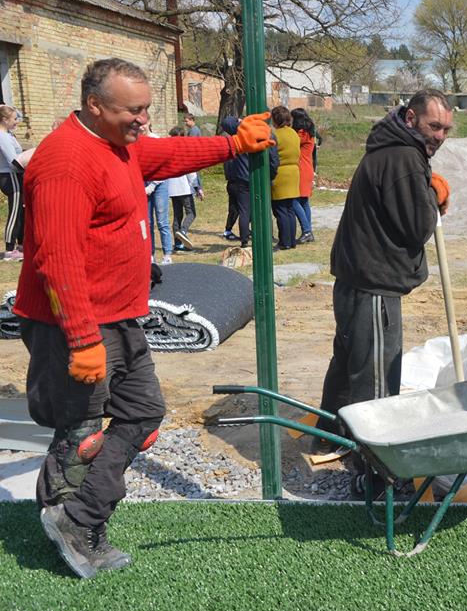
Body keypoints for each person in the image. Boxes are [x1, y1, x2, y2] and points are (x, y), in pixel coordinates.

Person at [14, 57, 273, 579]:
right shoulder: (66, 161)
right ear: (95, 105)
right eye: (133, 110)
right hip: (77, 325)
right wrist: (83, 339)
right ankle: (70, 523)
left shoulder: (119, 145)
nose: (142, 119)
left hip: (120, 318)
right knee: (81, 429)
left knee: (142, 413)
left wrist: (233, 145)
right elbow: (56, 258)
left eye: (146, 109)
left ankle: (77, 516)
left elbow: (170, 151)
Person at [313, 89, 452, 492]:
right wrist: (433, 193)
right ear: (410, 119)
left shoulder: (392, 148)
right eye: (433, 126)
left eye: (446, 129)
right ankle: (374, 476)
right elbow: (417, 226)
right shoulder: (405, 159)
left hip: (357, 278)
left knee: (349, 364)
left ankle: (329, 434)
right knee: (376, 378)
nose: (440, 135)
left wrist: (427, 185)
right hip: (373, 284)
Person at [221, 115, 279, 247]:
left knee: (244, 210)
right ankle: (266, 236)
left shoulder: (234, 138)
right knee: (263, 208)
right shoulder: (261, 134)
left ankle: (244, 240)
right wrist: (271, 175)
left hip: (242, 178)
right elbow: (273, 159)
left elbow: (227, 122)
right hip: (260, 176)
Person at [140, 122, 173, 264]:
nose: (141, 127)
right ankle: (150, 255)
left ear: (149, 124)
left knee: (162, 221)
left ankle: (167, 254)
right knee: (147, 222)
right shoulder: (136, 141)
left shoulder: (155, 140)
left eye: (144, 124)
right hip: (144, 184)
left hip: (159, 183)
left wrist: (152, 186)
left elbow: (162, 167)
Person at [167, 125, 203, 251]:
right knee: (191, 213)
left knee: (177, 215)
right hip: (183, 187)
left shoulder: (167, 150)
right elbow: (191, 171)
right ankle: (183, 231)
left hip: (172, 188)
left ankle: (177, 244)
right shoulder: (184, 150)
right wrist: (197, 187)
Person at [269, 105, 300, 250]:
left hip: (280, 174)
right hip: (294, 173)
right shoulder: (294, 133)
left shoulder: (276, 135)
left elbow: (272, 155)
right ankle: (292, 240)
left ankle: (284, 241)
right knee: (289, 209)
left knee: (280, 210)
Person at [0, 105, 24, 261]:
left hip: (15, 175)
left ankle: (21, 244)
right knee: (14, 211)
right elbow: (13, 161)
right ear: (4, 119)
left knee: (21, 210)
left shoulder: (8, 134)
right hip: (10, 176)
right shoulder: (2, 136)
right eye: (14, 119)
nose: (17, 122)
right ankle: (9, 248)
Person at [291, 107, 318, 244]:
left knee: (294, 201)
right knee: (304, 201)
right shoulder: (310, 132)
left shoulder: (301, 134)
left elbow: (292, 141)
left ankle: (306, 230)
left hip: (301, 169)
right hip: (307, 168)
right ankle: (308, 231)